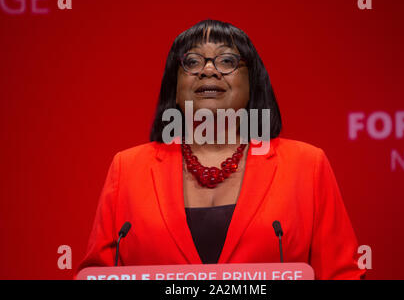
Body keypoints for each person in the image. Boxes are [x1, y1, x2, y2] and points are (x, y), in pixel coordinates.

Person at [76, 19, 366, 280]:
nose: (209, 70)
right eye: (192, 62)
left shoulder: (307, 165)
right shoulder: (127, 168)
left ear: (252, 82)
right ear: (174, 87)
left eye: (227, 60)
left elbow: (342, 275)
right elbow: (98, 275)